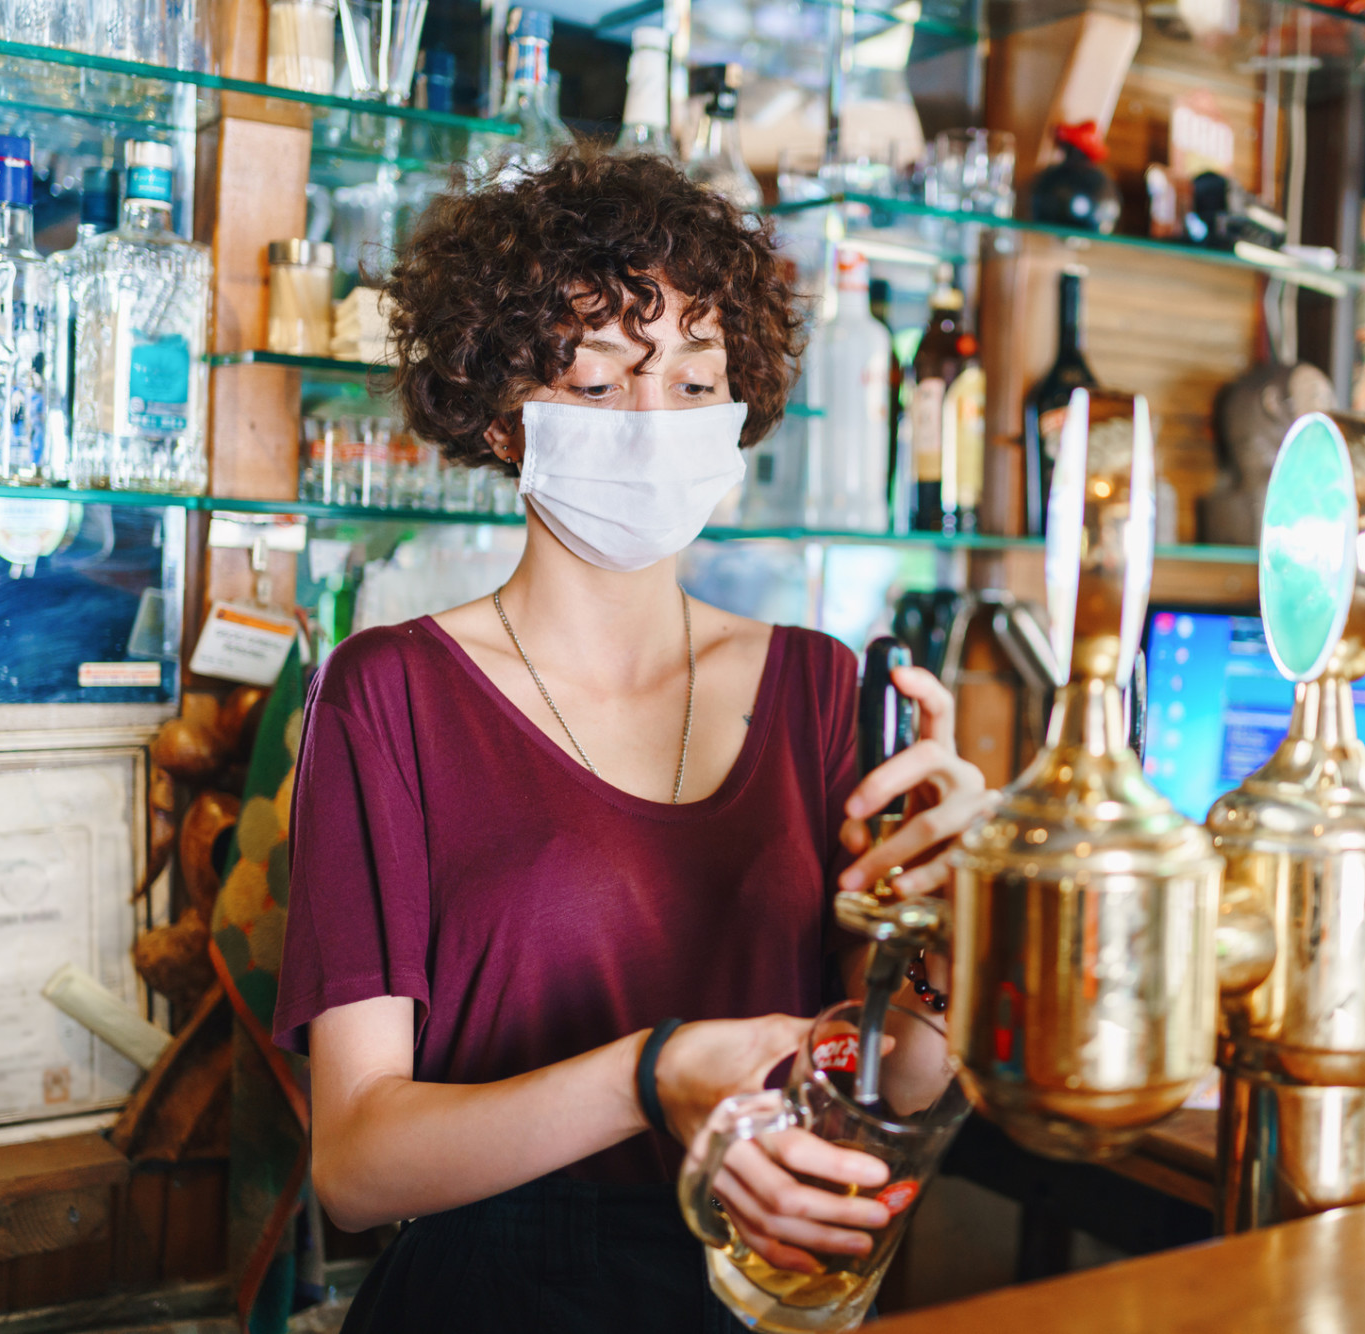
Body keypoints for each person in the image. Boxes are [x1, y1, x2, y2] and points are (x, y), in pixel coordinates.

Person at [271, 151, 993, 1333]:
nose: (659, 428)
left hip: (746, 1292)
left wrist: (945, 945)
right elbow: (357, 1165)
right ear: (507, 418)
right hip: (484, 1295)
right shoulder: (389, 694)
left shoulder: (819, 687)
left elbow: (883, 1079)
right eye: (604, 387)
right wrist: (647, 1075)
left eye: (699, 380)